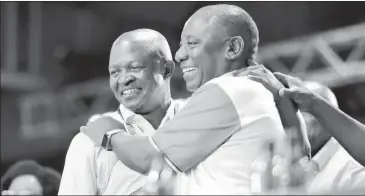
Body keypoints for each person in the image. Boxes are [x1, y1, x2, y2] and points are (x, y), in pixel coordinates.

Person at [82, 4, 308, 194]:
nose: (180, 54)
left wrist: (110, 133)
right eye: (181, 45)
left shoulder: (228, 88)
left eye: (192, 43)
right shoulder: (261, 93)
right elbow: (303, 157)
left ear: (233, 48)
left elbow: (152, 158)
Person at [58, 29, 180, 195]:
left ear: (166, 69)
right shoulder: (89, 143)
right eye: (114, 72)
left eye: (135, 67)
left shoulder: (201, 126)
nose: (123, 79)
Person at [234, 63, 365, 193]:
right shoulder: (278, 167)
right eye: (295, 111)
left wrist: (313, 103)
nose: (303, 119)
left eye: (307, 112)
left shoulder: (353, 168)